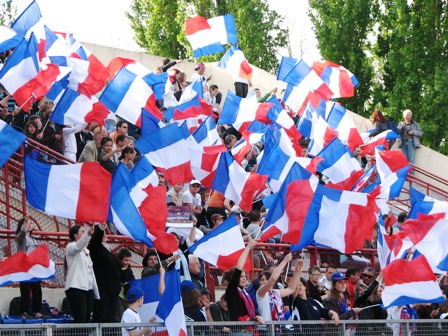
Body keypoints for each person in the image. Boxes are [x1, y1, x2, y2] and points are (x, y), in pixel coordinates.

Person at [224, 238, 264, 332]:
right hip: (238, 332)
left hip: (248, 330)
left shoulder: (243, 292)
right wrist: (248, 247)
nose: (244, 278)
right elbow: (239, 268)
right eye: (241, 276)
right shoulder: (232, 289)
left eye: (245, 276)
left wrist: (255, 318)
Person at [87, 222, 122, 323]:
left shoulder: (108, 250)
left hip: (113, 290)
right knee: (101, 316)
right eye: (103, 233)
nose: (105, 235)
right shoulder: (95, 247)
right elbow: (96, 237)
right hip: (103, 289)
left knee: (110, 317)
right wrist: (101, 226)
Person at [65, 225, 99, 323]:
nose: (85, 233)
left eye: (85, 232)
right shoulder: (71, 247)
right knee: (81, 317)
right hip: (76, 287)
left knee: (87, 319)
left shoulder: (86, 251)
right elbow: (77, 247)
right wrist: (88, 235)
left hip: (88, 288)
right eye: (82, 232)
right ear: (76, 235)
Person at [256, 254, 302, 326]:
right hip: (266, 329)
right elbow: (273, 279)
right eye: (262, 280)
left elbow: (291, 289)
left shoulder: (275, 292)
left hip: (276, 329)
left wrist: (297, 271)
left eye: (267, 279)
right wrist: (285, 261)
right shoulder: (260, 292)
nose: (265, 281)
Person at [16, 216, 46, 319]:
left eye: (30, 223)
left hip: (34, 268)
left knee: (37, 290)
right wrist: (24, 223)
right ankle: (24, 312)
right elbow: (21, 235)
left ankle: (36, 311)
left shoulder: (34, 240)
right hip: (25, 268)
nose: (29, 224)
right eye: (26, 223)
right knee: (25, 290)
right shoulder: (21, 238)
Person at [115, 248, 135, 323]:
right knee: (119, 317)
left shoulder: (129, 269)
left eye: (129, 260)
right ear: (120, 259)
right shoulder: (116, 268)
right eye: (126, 260)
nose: (128, 262)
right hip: (118, 296)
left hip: (127, 297)